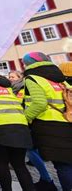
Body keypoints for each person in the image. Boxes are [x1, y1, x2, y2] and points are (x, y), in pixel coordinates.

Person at [23, 52, 72, 191]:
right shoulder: (60, 79)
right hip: (67, 121)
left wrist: (25, 118)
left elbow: (39, 103)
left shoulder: (33, 78)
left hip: (50, 125)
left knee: (62, 165)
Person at [9, 69, 57, 190]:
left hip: (29, 123)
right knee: (32, 151)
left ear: (20, 77)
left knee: (32, 151)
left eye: (13, 77)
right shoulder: (13, 89)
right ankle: (45, 178)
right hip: (27, 122)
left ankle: (47, 179)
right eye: (9, 76)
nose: (10, 78)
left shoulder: (22, 88)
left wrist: (24, 117)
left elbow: (24, 105)